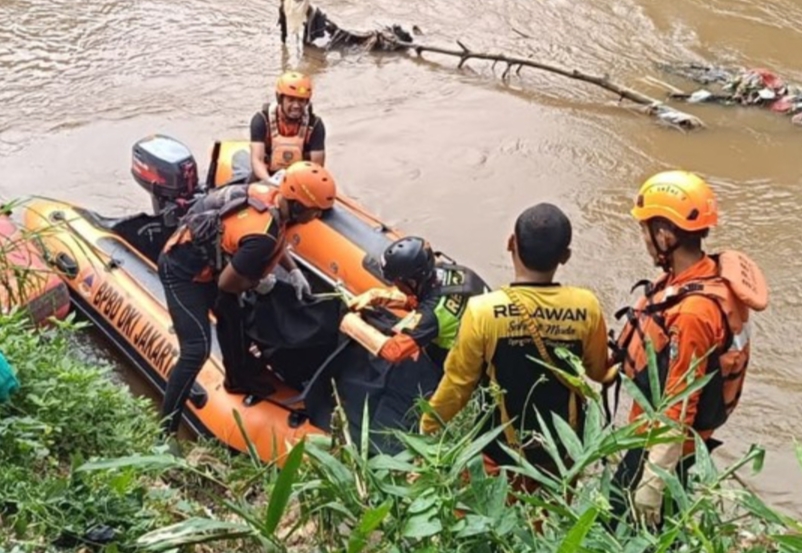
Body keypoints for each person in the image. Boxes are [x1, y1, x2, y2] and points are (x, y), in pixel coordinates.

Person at [608, 170, 769, 526]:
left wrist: (652, 484)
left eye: (645, 230)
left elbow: (678, 405)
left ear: (665, 235)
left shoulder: (694, 312)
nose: (644, 239)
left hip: (658, 449)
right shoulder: (703, 277)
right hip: (675, 444)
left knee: (618, 526)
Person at [419, 203, 611, 483]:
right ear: (566, 256)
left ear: (511, 243)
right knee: (551, 520)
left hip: (502, 449)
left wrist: (427, 429)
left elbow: (458, 386)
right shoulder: (587, 307)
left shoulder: (483, 311)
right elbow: (597, 372)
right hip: (563, 450)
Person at [156, 161, 337, 439]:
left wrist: (294, 271)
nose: (314, 217)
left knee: (233, 317)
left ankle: (238, 379)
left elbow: (276, 238)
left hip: (212, 262)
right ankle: (165, 432)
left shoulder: (276, 200)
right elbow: (228, 283)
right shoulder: (262, 233)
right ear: (297, 203)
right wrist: (259, 283)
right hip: (182, 271)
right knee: (196, 349)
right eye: (313, 211)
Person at [339, 236, 487, 367]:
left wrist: (351, 324)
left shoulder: (432, 313)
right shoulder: (449, 270)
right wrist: (378, 296)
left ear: (411, 281)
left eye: (397, 282)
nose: (396, 286)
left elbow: (394, 351)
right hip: (484, 333)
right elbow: (425, 300)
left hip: (470, 359)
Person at [249, 71, 326, 182]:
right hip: (266, 177)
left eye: (301, 100)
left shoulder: (315, 126)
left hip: (300, 181)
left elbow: (317, 167)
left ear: (307, 101)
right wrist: (270, 182)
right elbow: (257, 160)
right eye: (291, 100)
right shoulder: (261, 120)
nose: (296, 106)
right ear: (280, 99)